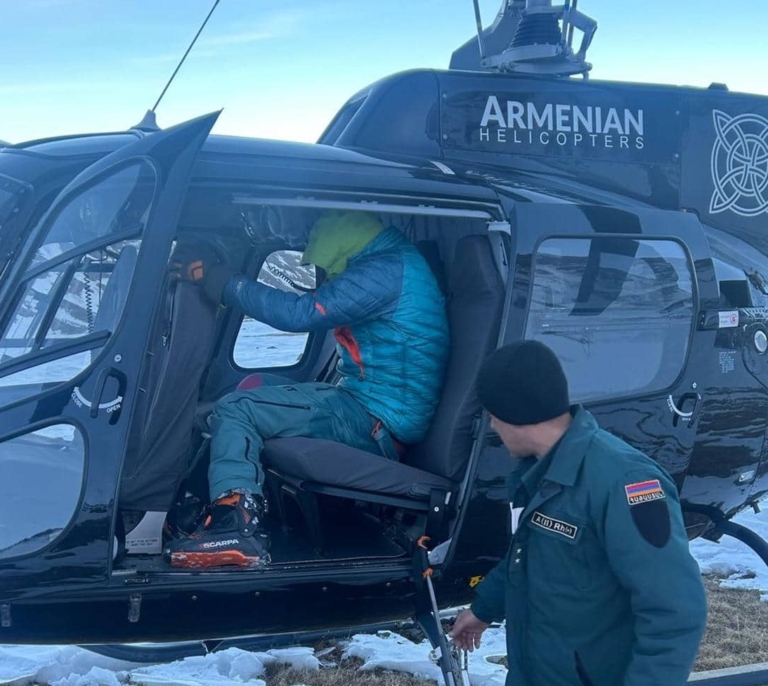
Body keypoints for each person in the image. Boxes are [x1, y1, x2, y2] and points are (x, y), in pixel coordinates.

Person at [165, 210, 450, 569]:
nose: (324, 274)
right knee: (254, 385)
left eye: (326, 264)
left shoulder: (387, 271)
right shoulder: (390, 263)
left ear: (341, 241)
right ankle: (200, 505)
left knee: (238, 408)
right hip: (366, 403)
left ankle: (236, 524)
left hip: (377, 419)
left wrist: (221, 280)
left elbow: (299, 314)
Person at [450, 340, 708, 686]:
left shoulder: (625, 482)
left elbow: (675, 611)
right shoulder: (536, 473)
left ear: (516, 414)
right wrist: (483, 610)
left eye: (494, 416)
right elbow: (526, 557)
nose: (493, 427)